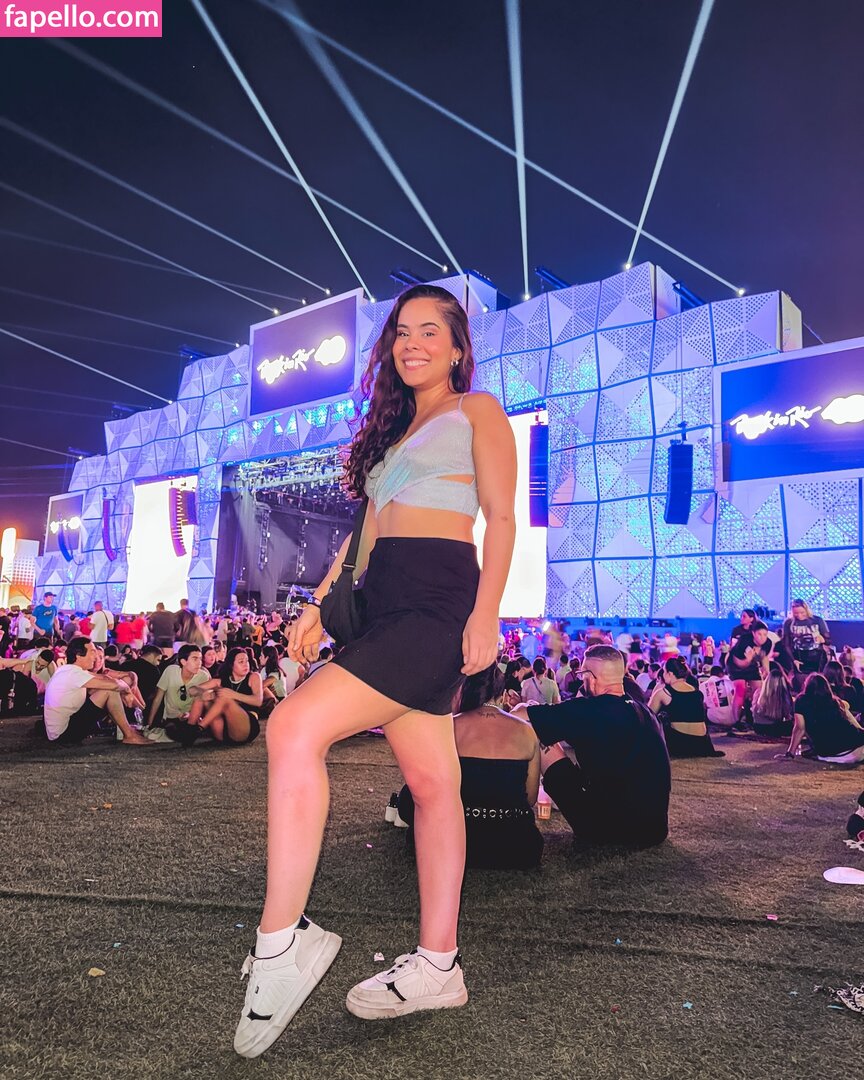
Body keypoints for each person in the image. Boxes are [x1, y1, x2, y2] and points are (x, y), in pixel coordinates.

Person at [231, 283, 516, 1058]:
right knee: (434, 785)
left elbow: (501, 516)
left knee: (293, 728)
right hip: (382, 602)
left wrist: (487, 612)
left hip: (435, 601)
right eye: (401, 332)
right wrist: (318, 605)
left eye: (430, 331)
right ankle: (439, 964)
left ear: (457, 348)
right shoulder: (393, 433)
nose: (411, 343)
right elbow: (365, 536)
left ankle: (282, 943)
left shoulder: (477, 410)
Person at [514, 645, 669, 847]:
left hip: (608, 830)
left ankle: (514, 797)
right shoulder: (645, 712)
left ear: (591, 677)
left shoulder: (589, 709)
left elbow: (519, 717)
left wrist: (518, 707)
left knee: (536, 728)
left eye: (582, 675)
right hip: (654, 829)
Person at [397, 664, 543, 869]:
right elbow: (530, 798)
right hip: (517, 846)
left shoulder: (448, 727)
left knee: (408, 798)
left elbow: (424, 789)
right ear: (502, 695)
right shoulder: (526, 732)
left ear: (461, 691)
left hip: (453, 843)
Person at [42, 637, 151, 745]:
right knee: (109, 691)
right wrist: (126, 690)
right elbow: (113, 685)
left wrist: (125, 689)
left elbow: (104, 678)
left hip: (63, 730)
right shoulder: (73, 674)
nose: (95, 657)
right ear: (79, 655)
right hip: (63, 735)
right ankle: (130, 734)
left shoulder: (68, 670)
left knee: (109, 689)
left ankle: (130, 730)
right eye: (92, 652)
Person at [648, 657, 724, 758]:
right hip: (702, 744)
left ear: (670, 674)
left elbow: (647, 716)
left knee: (660, 719)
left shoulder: (664, 692)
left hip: (680, 744)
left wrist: (657, 688)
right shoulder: (697, 692)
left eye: (664, 672)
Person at [188, 646, 263, 745]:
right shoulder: (221, 680)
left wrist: (233, 695)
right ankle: (189, 730)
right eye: (241, 662)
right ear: (231, 665)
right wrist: (206, 694)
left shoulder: (253, 677)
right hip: (223, 729)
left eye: (247, 661)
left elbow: (258, 701)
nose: (246, 665)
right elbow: (192, 690)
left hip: (245, 728)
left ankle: (198, 729)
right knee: (201, 697)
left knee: (224, 698)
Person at [786, 673, 864, 763]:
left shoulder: (801, 701)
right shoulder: (833, 701)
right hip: (854, 747)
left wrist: (790, 753)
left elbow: (799, 728)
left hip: (827, 753)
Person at [145, 644, 210, 729]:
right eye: (195, 659)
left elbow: (205, 701)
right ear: (183, 662)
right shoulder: (171, 671)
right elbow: (158, 698)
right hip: (170, 718)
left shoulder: (203, 676)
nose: (199, 663)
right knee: (172, 729)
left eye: (200, 659)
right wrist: (149, 724)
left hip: (191, 717)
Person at [782, 599, 830, 675]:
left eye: (802, 612)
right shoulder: (788, 623)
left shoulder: (817, 620)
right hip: (799, 657)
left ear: (806, 610)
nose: (799, 615)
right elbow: (786, 645)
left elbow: (829, 641)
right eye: (796, 613)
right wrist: (793, 660)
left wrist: (823, 639)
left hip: (817, 657)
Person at [751, 662, 794, 738]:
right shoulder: (784, 694)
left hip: (758, 727)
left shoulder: (758, 692)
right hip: (774, 728)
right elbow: (788, 714)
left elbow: (753, 710)